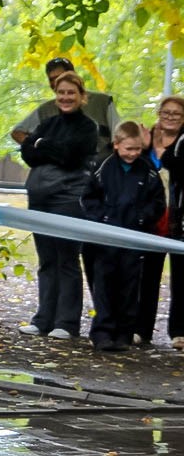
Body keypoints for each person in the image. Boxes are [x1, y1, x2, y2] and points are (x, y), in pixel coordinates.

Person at [17, 71, 98, 339]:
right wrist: (41, 145)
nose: (65, 97)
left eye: (71, 93)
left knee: (67, 259)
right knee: (46, 260)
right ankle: (43, 319)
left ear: (81, 96)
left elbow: (70, 157)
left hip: (68, 199)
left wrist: (41, 145)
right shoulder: (48, 123)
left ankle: (66, 323)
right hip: (39, 198)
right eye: (61, 92)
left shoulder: (88, 128)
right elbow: (27, 153)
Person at [81, 122, 165, 352]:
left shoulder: (147, 170)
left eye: (137, 149)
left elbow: (157, 202)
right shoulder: (103, 167)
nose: (133, 154)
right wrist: (102, 218)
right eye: (128, 149)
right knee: (104, 286)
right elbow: (88, 199)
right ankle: (102, 332)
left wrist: (142, 218)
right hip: (106, 238)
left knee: (129, 287)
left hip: (133, 238)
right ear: (116, 145)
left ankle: (124, 334)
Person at [134, 96, 184, 345]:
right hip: (151, 218)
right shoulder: (148, 137)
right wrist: (145, 148)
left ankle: (179, 332)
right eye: (166, 112)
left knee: (182, 278)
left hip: (179, 218)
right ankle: (141, 330)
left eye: (176, 113)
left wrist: (164, 154)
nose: (171, 117)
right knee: (146, 276)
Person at [11, 57, 120, 161]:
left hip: (96, 172)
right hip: (53, 176)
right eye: (51, 79)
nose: (56, 82)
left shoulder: (102, 102)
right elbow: (17, 133)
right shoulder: (46, 112)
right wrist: (40, 150)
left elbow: (119, 138)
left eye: (61, 76)